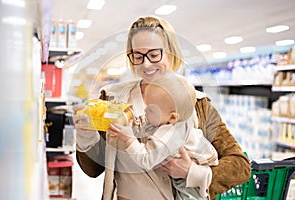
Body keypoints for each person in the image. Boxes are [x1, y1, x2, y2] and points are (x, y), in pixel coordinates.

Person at [73, 16, 251, 200]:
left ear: (171, 53)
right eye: (138, 56)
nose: (146, 64)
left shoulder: (197, 104)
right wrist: (86, 136)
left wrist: (192, 172)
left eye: (154, 54)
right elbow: (93, 169)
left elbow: (240, 166)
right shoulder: (113, 98)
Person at [108, 72, 219, 199]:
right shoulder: (164, 119)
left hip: (191, 185)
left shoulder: (171, 134)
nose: (145, 111)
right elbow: (141, 131)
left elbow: (146, 160)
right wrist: (123, 114)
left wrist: (128, 139)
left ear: (172, 117)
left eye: (150, 109)